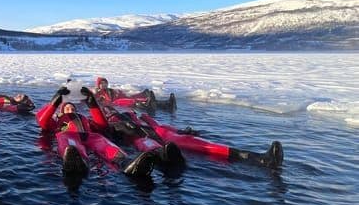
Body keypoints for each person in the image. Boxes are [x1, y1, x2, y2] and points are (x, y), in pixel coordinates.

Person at [80, 87, 282, 168]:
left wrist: (181, 132)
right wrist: (93, 105)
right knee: (150, 146)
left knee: (199, 144)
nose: (108, 110)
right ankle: (168, 160)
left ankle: (261, 158)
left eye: (108, 109)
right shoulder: (106, 122)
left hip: (158, 131)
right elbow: (100, 126)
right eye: (105, 110)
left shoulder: (134, 114)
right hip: (136, 137)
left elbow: (156, 123)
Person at [35, 87, 182, 177]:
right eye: (67, 108)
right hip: (70, 137)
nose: (70, 109)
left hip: (91, 136)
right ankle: (79, 161)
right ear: (60, 112)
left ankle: (125, 163)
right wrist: (54, 102)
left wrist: (92, 102)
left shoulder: (85, 120)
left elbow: (102, 125)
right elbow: (42, 121)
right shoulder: (57, 121)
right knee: (69, 143)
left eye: (72, 108)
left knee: (105, 143)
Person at [94, 77, 177, 113]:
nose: (104, 85)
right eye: (102, 83)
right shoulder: (99, 92)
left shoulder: (110, 90)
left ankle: (167, 103)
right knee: (134, 101)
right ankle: (148, 103)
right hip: (116, 103)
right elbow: (94, 98)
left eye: (105, 83)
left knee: (137, 97)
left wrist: (119, 92)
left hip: (121, 99)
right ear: (98, 85)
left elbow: (117, 93)